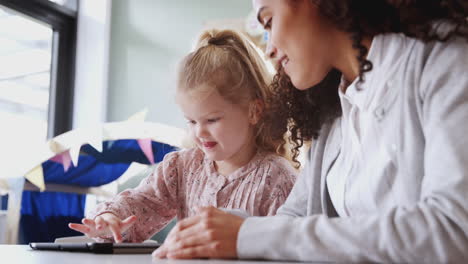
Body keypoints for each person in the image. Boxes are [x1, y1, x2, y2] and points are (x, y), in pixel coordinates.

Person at [152, 0, 468, 262]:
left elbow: (454, 232)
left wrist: (247, 235)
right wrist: (213, 234)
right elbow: (292, 222)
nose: (271, 49)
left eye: (269, 21)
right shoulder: (335, 114)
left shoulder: (445, 62)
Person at [68, 29, 297, 243]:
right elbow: (141, 202)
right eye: (191, 121)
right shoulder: (183, 168)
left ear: (253, 111)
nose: (200, 132)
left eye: (212, 120)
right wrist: (111, 217)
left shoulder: (277, 179)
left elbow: (288, 246)